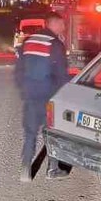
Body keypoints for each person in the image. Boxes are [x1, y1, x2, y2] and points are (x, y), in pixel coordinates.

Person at [14, 15, 71, 182]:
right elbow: (61, 74)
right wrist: (63, 95)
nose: (64, 28)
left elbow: (19, 69)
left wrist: (24, 89)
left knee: (30, 132)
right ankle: (52, 169)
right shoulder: (55, 44)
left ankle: (25, 169)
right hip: (48, 95)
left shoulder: (29, 41)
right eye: (62, 24)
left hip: (31, 94)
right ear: (55, 24)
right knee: (52, 132)